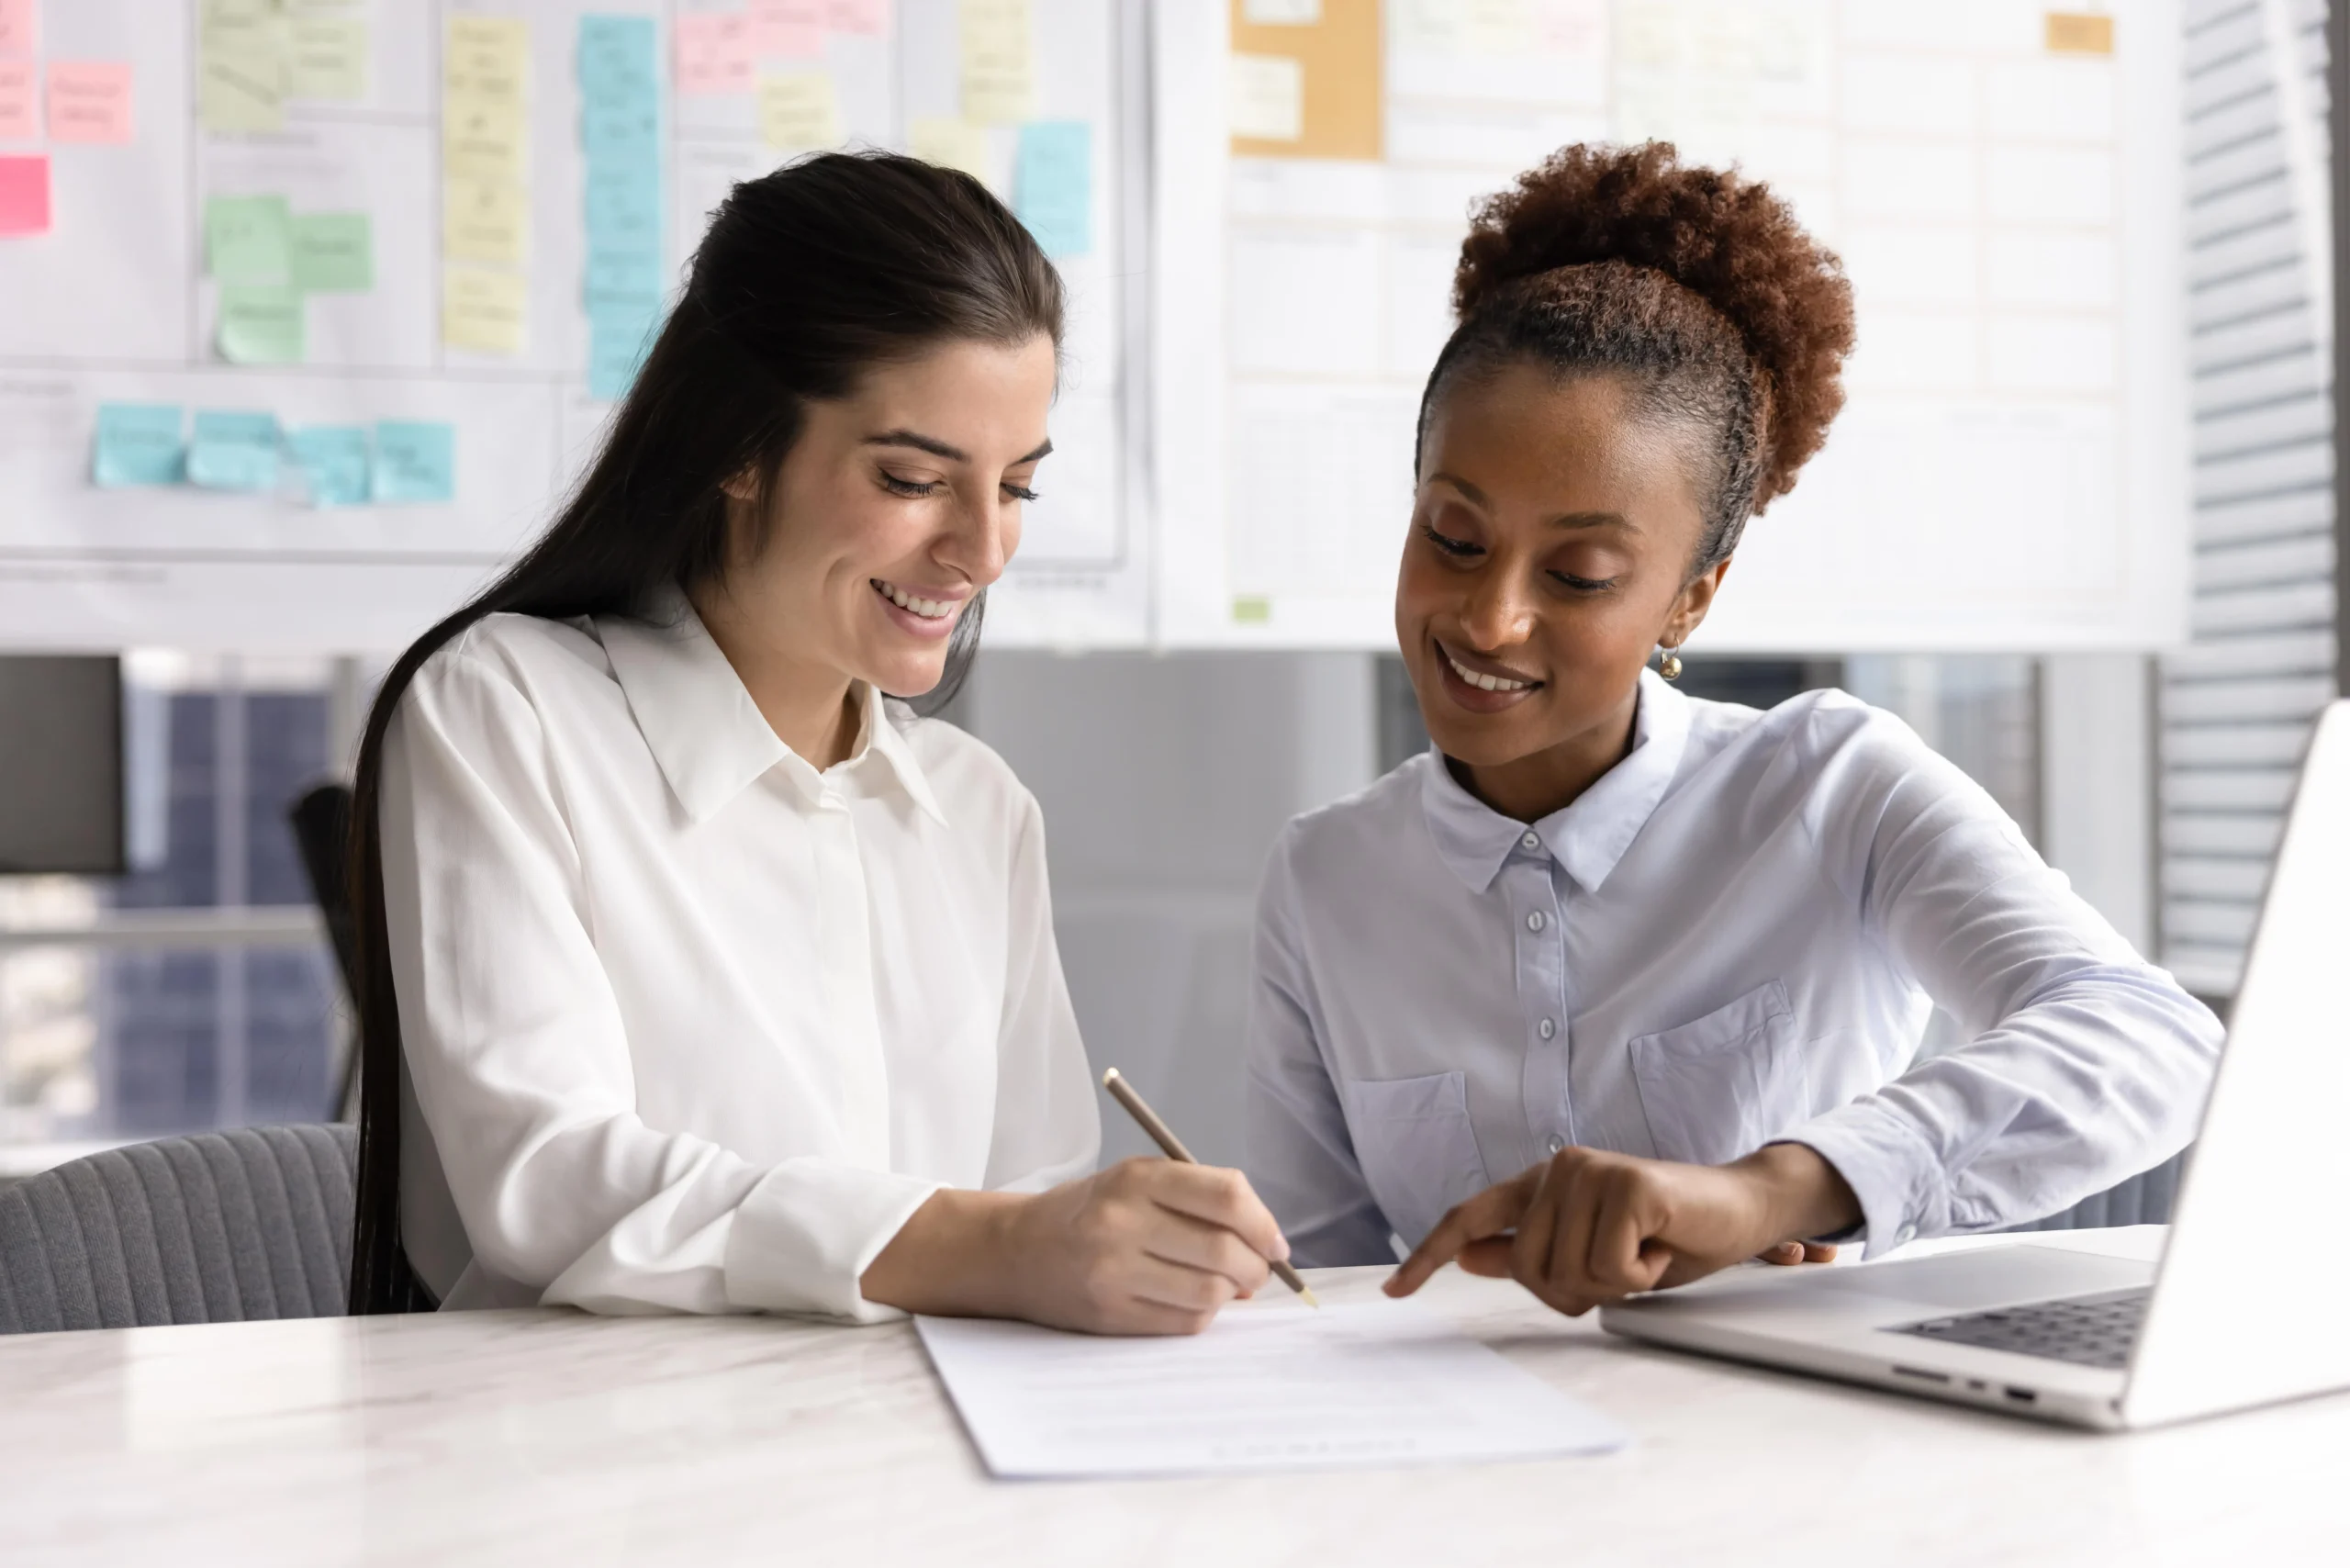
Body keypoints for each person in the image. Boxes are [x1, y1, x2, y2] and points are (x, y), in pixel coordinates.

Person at [1244, 143, 2222, 1318]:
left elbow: (2150, 1039)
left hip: (1808, 1455)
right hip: (1468, 1457)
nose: (1491, 618)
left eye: (1580, 572)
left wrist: (1780, 1189)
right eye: (1452, 538)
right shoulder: (1325, 875)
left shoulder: (1829, 786)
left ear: (1692, 596)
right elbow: (1322, 1282)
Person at [347, 151, 1287, 1332]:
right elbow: (547, 1181)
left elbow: (1033, 1199)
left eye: (1018, 488)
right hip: (585, 1476)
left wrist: (1118, 1254)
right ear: (738, 447)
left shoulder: (976, 808)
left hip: (913, 1466)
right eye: (913, 478)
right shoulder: (510, 711)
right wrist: (991, 1242)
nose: (983, 550)